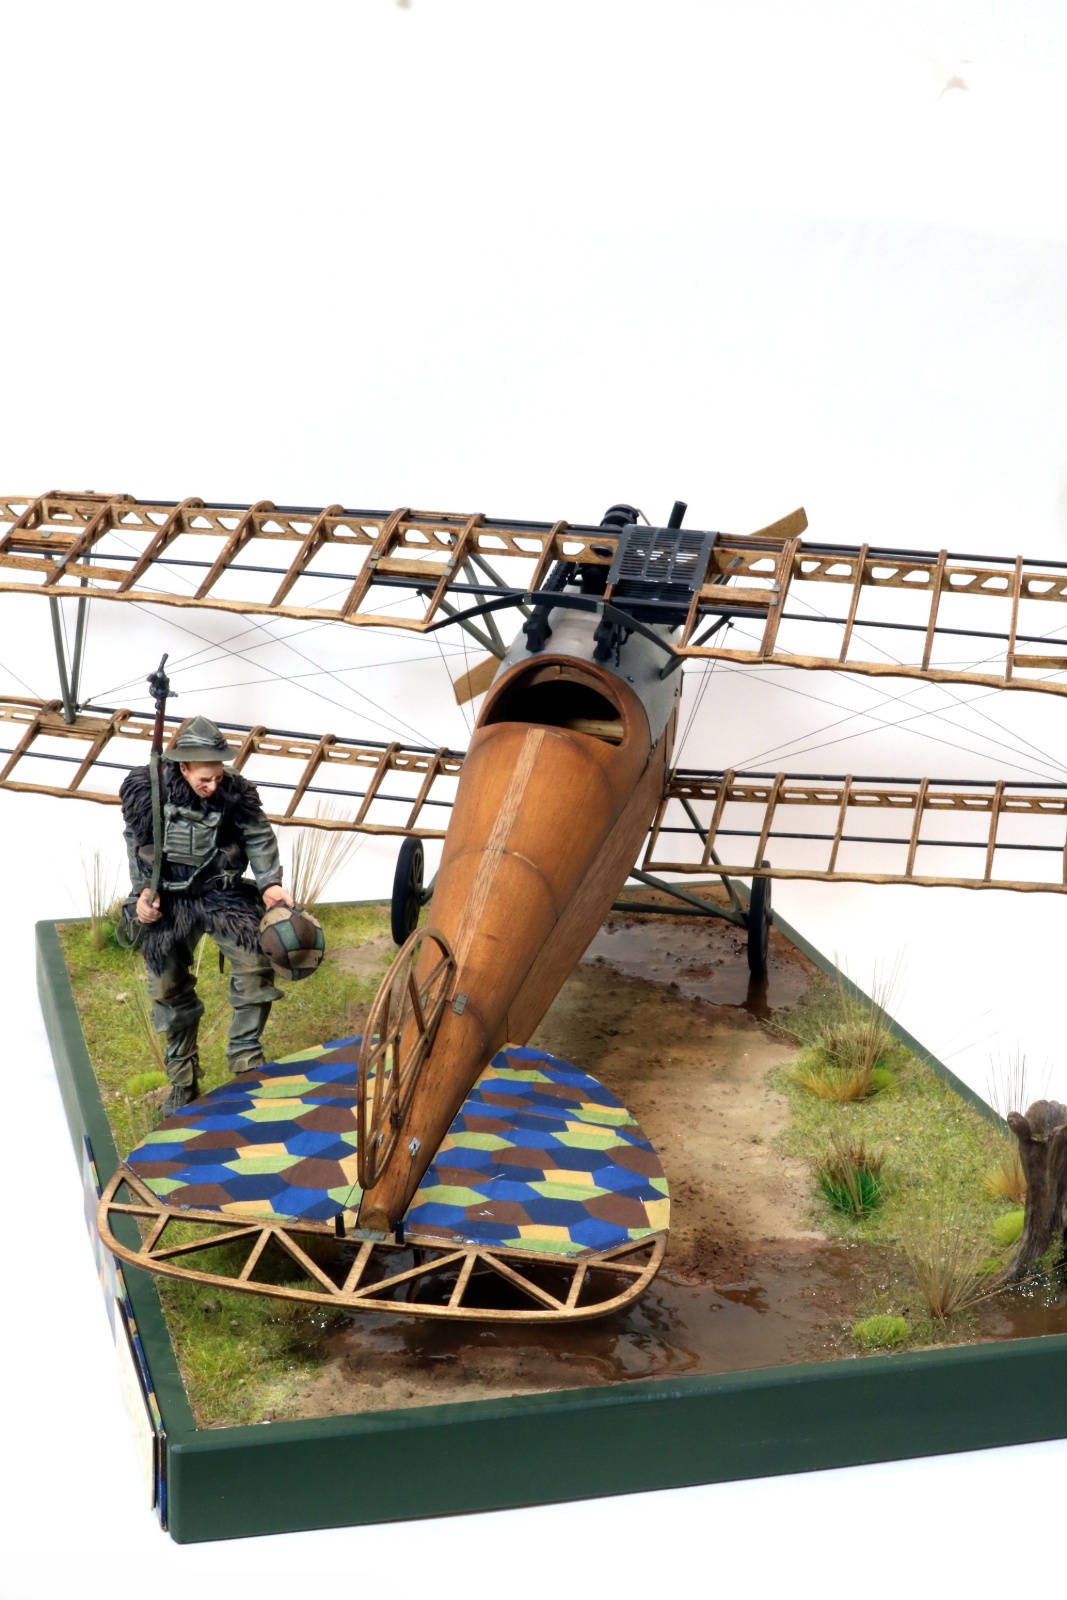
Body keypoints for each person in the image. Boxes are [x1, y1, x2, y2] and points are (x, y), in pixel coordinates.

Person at [119, 714, 294, 1114]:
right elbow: (136, 841)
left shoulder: (235, 790)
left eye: (217, 776)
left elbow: (257, 834)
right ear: (183, 766)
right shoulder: (148, 791)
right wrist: (143, 892)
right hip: (170, 900)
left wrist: (269, 882)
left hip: (223, 895)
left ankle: (246, 1065)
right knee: (167, 988)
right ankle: (183, 1082)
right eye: (204, 778)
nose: (213, 785)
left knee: (255, 965)